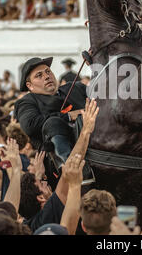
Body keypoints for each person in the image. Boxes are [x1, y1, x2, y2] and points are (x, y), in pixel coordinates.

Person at [18, 99, 98, 232]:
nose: (46, 182)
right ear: (40, 198)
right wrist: (86, 131)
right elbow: (70, 170)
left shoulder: (29, 225)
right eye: (41, 183)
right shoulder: (48, 214)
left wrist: (40, 177)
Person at [14, 57, 88, 189]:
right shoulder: (27, 101)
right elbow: (30, 125)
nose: (46, 76)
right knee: (52, 123)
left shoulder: (76, 88)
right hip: (53, 165)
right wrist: (68, 116)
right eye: (39, 75)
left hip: (94, 142)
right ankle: (70, 170)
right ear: (29, 86)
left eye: (48, 72)